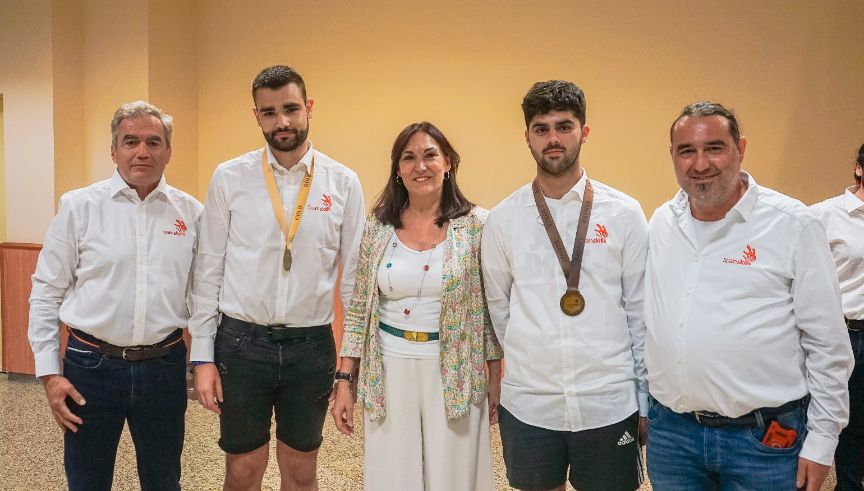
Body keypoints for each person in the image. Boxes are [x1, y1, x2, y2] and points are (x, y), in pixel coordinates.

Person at [644, 101, 854, 491]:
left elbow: (828, 345)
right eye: (686, 150)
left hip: (763, 441)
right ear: (672, 156)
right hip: (672, 434)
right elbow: (650, 321)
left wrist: (823, 442)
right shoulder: (661, 223)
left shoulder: (792, 225)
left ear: (741, 149)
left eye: (715, 148)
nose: (700, 163)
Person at [189, 65, 365, 490]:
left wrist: (348, 371)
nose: (282, 121)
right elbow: (208, 270)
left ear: (308, 108)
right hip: (241, 344)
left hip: (311, 347)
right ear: (257, 117)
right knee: (243, 470)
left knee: (301, 472)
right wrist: (202, 357)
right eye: (269, 112)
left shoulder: (343, 182)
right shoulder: (229, 177)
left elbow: (355, 284)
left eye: (290, 108)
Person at [481, 80, 648, 491]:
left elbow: (641, 313)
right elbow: (499, 309)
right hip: (531, 403)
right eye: (541, 129)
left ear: (584, 132)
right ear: (527, 138)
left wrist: (646, 400)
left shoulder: (624, 213)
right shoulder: (504, 219)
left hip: (607, 401)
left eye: (564, 126)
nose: (553, 138)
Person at [28, 101, 201, 491]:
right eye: (131, 141)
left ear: (169, 151)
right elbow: (46, 291)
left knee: (163, 480)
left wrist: (203, 359)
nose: (143, 152)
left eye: (154, 142)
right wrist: (50, 374)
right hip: (90, 369)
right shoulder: (79, 207)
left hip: (163, 368)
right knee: (87, 481)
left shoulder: (191, 214)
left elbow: (203, 296)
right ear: (114, 150)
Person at [331, 121, 503, 490]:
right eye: (408, 158)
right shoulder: (377, 227)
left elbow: (486, 312)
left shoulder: (477, 225)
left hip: (456, 369)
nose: (419, 166)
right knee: (395, 475)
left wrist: (495, 376)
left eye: (430, 156)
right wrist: (345, 380)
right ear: (397, 169)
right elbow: (359, 310)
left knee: (452, 475)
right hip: (389, 368)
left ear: (449, 163)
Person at [810, 142, 864, 491]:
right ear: (859, 168)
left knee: (860, 424)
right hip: (843, 333)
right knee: (831, 421)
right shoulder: (823, 215)